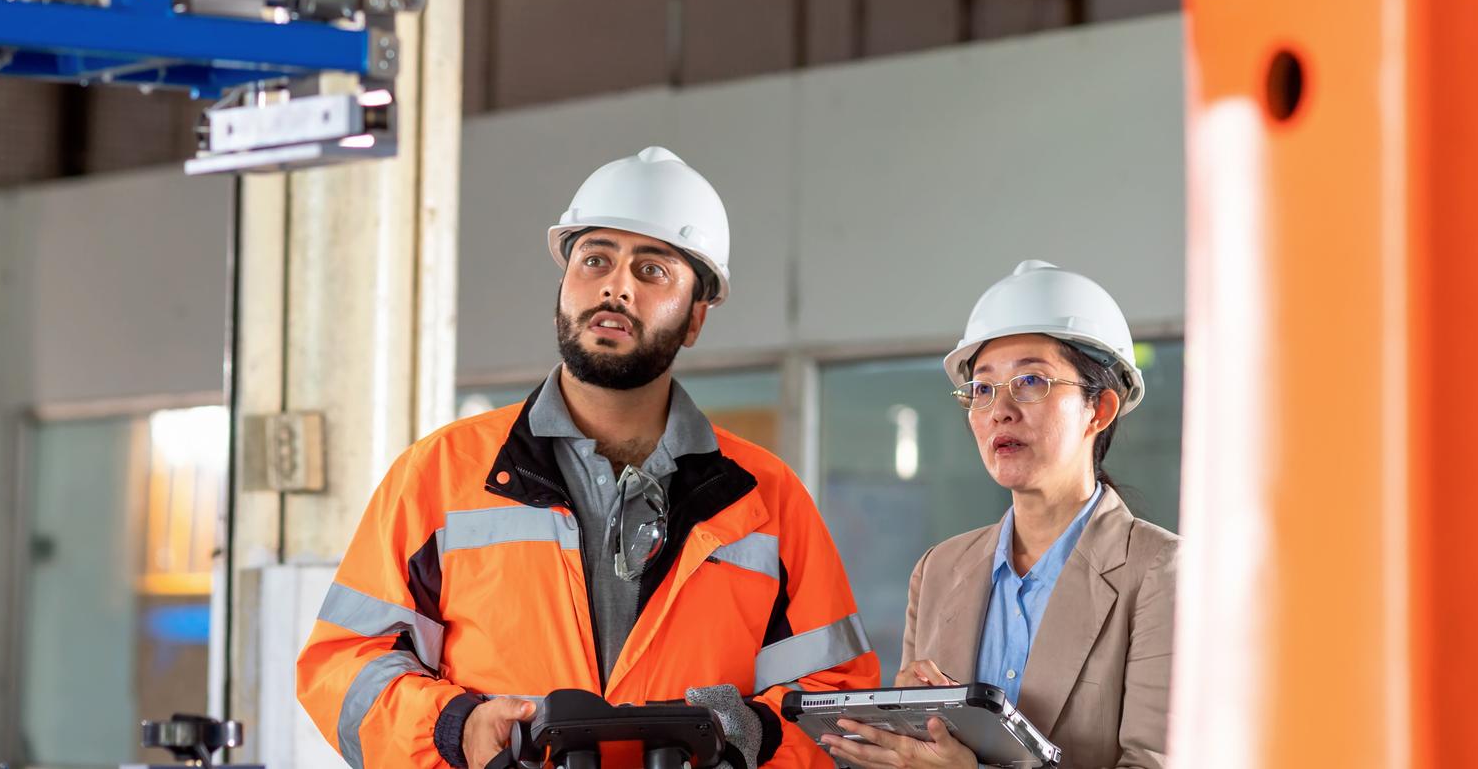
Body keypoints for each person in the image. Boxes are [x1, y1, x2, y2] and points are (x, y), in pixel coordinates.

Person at [299, 146, 879, 769]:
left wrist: (757, 737)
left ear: (695, 319)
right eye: (595, 259)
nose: (615, 285)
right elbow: (342, 666)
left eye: (652, 270)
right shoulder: (438, 474)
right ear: (564, 284)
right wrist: (452, 728)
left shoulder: (765, 498)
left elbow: (838, 701)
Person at [817, 261, 1176, 769]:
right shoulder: (940, 569)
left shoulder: (1162, 572)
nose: (1000, 410)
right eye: (983, 389)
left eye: (1031, 381)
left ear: (1099, 410)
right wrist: (904, 735)